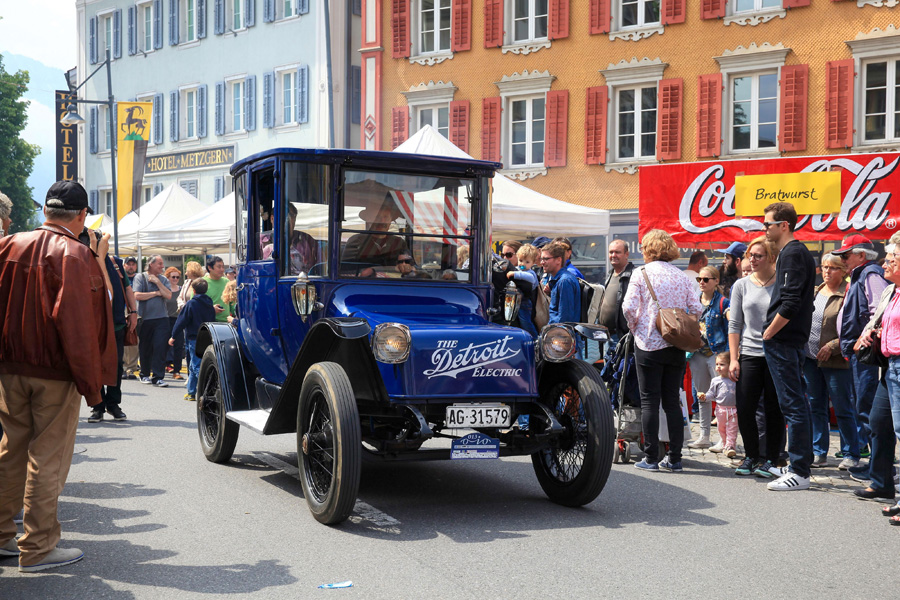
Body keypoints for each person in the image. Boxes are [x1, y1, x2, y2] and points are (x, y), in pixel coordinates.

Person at [0, 180, 116, 572]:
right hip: (54, 371)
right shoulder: (76, 254)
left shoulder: (8, 244)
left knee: (10, 450)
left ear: (45, 211)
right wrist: (93, 386)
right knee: (47, 458)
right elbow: (78, 325)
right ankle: (37, 546)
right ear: (82, 216)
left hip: (9, 367)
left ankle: (2, 536)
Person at [623, 229, 703, 473]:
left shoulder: (641, 273)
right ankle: (675, 458)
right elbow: (696, 309)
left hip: (648, 342)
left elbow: (628, 308)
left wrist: (637, 327)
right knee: (672, 401)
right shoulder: (681, 276)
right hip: (676, 344)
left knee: (649, 401)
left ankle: (651, 458)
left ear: (648, 249)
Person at [761, 202, 816, 491]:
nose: (765, 229)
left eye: (768, 224)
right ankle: (799, 466)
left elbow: (792, 301)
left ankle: (799, 471)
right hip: (788, 340)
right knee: (795, 404)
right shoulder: (794, 253)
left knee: (794, 405)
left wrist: (769, 332)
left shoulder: (793, 253)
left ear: (784, 225)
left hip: (784, 340)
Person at [728, 235, 786, 478]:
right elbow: (735, 324)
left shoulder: (782, 283)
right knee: (745, 407)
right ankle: (751, 454)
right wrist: (733, 358)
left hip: (775, 353)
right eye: (750, 255)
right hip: (749, 353)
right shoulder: (741, 285)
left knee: (774, 409)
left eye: (758, 255)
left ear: (771, 258)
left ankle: (772, 458)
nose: (752, 260)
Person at [853, 244, 900, 505]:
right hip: (890, 365)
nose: (885, 266)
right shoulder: (892, 290)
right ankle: (881, 484)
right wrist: (870, 332)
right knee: (879, 422)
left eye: (891, 260)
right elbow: (878, 319)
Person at [804, 253, 859, 469]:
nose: (827, 271)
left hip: (836, 360)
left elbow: (854, 327)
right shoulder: (817, 291)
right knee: (816, 406)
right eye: (824, 267)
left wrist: (833, 346)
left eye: (833, 268)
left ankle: (851, 453)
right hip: (811, 358)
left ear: (843, 271)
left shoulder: (848, 293)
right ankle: (819, 452)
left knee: (842, 407)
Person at [835, 234, 887, 460]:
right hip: (860, 353)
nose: (843, 260)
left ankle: (881, 467)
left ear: (861, 255)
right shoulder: (861, 274)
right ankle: (877, 466)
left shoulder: (871, 274)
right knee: (863, 408)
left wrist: (864, 337)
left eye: (846, 255)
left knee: (868, 410)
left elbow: (879, 312)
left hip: (867, 354)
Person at [89, 249, 139, 423]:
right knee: (95, 365)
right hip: (92, 325)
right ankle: (97, 406)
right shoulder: (84, 259)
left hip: (116, 323)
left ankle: (113, 404)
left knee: (116, 364)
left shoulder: (115, 262)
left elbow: (127, 287)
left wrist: (133, 312)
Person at [687, 265, 730, 449]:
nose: (702, 283)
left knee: (722, 398)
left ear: (716, 281)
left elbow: (730, 330)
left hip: (716, 354)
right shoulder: (694, 302)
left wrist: (728, 357)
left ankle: (724, 438)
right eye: (699, 280)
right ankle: (704, 435)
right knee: (702, 396)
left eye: (706, 279)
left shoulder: (723, 303)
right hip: (697, 354)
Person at [169, 279, 216, 402]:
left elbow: (181, 321)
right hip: (207, 336)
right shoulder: (209, 303)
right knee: (192, 365)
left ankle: (206, 390)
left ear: (193, 291)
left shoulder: (191, 304)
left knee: (196, 366)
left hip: (194, 337)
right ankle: (191, 392)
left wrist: (173, 335)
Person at [132, 255, 173, 387]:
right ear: (151, 264)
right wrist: (155, 293)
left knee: (160, 347)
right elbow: (137, 295)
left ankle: (158, 377)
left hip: (162, 319)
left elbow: (168, 295)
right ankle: (144, 374)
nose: (162, 266)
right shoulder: (140, 277)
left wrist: (157, 282)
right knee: (145, 347)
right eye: (159, 264)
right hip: (145, 319)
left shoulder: (163, 279)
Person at [342, 196, 410, 269]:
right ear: (369, 221)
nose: (382, 221)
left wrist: (405, 267)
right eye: (377, 217)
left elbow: (409, 266)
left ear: (390, 221)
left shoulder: (399, 242)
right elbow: (346, 268)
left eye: (386, 217)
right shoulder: (356, 240)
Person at [699, 352, 738, 457]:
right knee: (721, 429)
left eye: (722, 364)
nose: (718, 367)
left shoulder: (735, 379)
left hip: (734, 410)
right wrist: (705, 397)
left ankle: (730, 446)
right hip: (720, 410)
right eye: (717, 364)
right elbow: (711, 393)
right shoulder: (715, 380)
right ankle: (724, 445)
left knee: (732, 429)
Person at [599, 239, 635, 352]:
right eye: (611, 252)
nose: (613, 255)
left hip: (622, 336)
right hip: (606, 335)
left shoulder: (634, 275)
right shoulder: (610, 274)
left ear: (626, 254)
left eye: (617, 252)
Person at [541, 242, 581, 325]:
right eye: (542, 259)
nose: (542, 262)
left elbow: (565, 320)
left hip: (560, 335)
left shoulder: (564, 281)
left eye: (546, 259)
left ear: (558, 260)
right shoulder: (559, 280)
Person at [506, 243, 541, 338]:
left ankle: (534, 339)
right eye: (520, 260)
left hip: (525, 302)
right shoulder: (518, 269)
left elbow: (531, 279)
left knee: (525, 321)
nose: (523, 264)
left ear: (533, 263)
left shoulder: (530, 273)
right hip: (516, 300)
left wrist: (515, 274)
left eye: (527, 262)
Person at [121, 256, 140, 379]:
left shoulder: (139, 279)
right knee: (122, 340)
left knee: (133, 340)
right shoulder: (120, 278)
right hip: (121, 311)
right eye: (129, 264)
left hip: (135, 312)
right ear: (124, 265)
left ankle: (132, 368)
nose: (131, 266)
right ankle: (122, 367)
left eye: (133, 264)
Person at [164, 267, 184, 380]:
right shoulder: (165, 289)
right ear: (168, 277)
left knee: (178, 345)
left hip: (178, 320)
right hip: (166, 319)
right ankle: (163, 366)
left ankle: (177, 370)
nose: (175, 279)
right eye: (173, 277)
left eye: (177, 277)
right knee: (163, 345)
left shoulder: (181, 289)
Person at [203, 256, 232, 323]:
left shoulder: (227, 282)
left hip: (226, 323)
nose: (222, 269)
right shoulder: (202, 283)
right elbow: (195, 306)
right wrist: (211, 309)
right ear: (210, 267)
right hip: (208, 324)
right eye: (219, 267)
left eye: (223, 267)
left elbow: (232, 302)